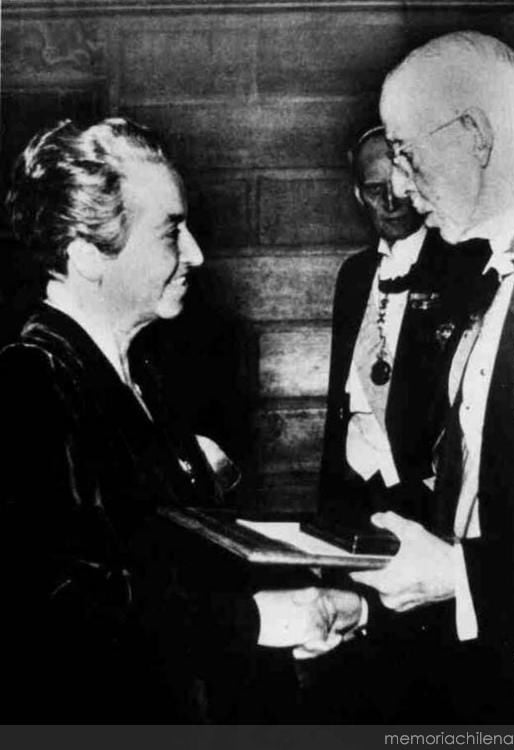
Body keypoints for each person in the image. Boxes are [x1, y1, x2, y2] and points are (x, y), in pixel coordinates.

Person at [0, 117, 365, 722]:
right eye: (171, 231)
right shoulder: (27, 384)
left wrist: (286, 607)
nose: (196, 253)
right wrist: (259, 620)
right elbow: (55, 615)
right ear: (87, 256)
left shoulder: (142, 375)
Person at [348, 31, 514, 723]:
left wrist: (458, 574)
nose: (399, 185)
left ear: (474, 135)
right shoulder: (484, 270)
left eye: (405, 153)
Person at [318, 125, 487, 539]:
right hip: (354, 486)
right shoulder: (354, 275)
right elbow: (339, 403)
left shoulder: (462, 266)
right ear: (358, 195)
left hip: (422, 495)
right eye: (375, 190)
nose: (390, 202)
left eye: (398, 185)